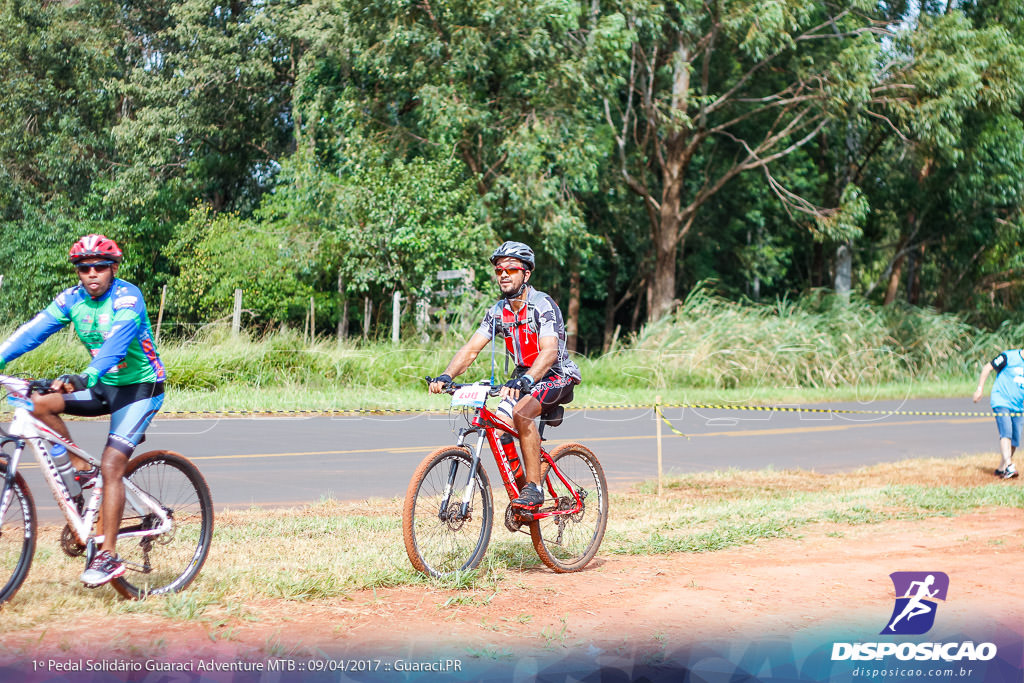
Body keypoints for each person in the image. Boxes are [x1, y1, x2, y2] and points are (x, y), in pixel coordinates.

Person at [0, 234, 166, 586]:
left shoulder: (127, 297)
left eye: (99, 267)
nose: (92, 274)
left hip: (140, 388)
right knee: (37, 404)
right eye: (84, 268)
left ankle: (108, 555)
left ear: (113, 268)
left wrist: (85, 376)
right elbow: (34, 331)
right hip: (103, 384)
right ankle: (79, 471)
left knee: (111, 464)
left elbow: (117, 345)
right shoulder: (73, 299)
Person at [429, 241, 581, 510]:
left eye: (511, 269)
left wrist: (527, 380)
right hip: (523, 377)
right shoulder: (498, 312)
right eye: (499, 270)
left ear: (526, 274)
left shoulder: (541, 305)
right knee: (499, 425)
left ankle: (534, 488)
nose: (504, 275)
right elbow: (472, 349)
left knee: (522, 413)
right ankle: (522, 491)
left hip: (555, 374)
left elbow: (549, 352)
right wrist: (446, 375)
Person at [972, 349, 1023, 479]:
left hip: (1019, 406)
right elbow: (987, 368)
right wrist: (979, 389)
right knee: (1006, 432)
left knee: (1015, 440)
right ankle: (1009, 465)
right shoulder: (1008, 357)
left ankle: (1002, 469)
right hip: (1001, 401)